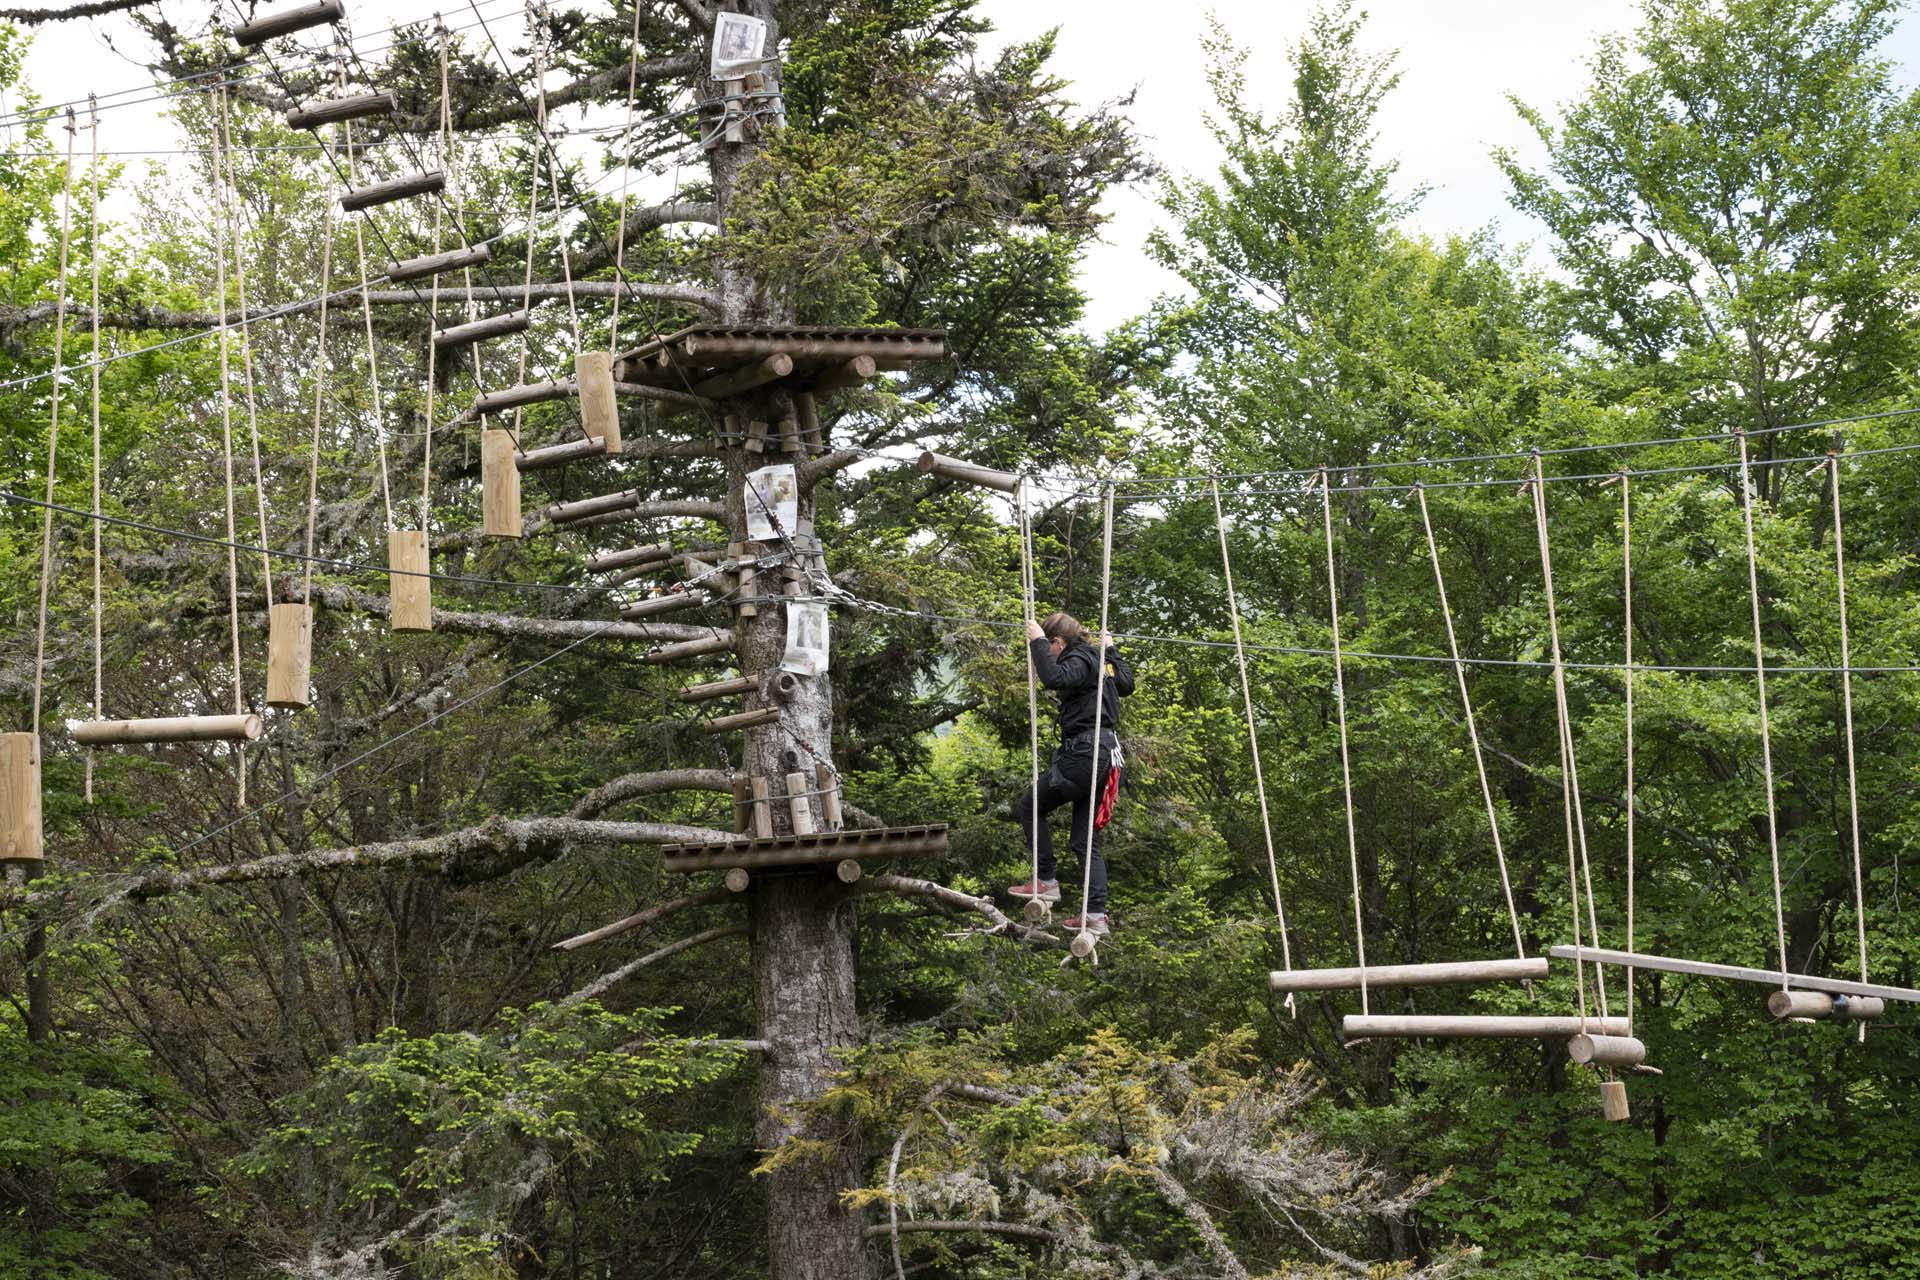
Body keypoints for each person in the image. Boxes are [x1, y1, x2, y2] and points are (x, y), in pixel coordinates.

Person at [1008, 611, 1134, 935]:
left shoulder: (1079, 658)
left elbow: (1055, 678)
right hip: (1105, 756)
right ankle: (1094, 914)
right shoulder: (1100, 661)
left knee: (1031, 805)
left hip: (1086, 754)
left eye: (1050, 647)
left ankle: (1046, 879)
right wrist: (1112, 651)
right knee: (1084, 841)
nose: (1050, 654)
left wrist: (1036, 640)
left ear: (1058, 642)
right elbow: (1126, 683)